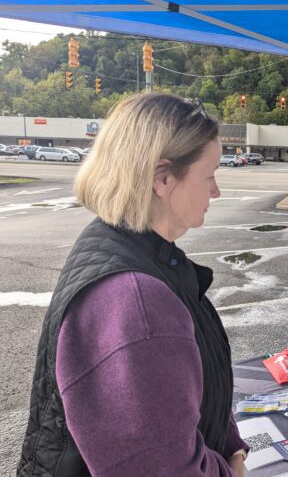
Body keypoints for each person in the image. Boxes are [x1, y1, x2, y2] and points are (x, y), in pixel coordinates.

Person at [17, 94, 248, 476]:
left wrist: (231, 447)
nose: (216, 191)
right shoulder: (135, 299)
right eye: (209, 175)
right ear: (163, 178)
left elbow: (195, 394)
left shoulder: (138, 252)